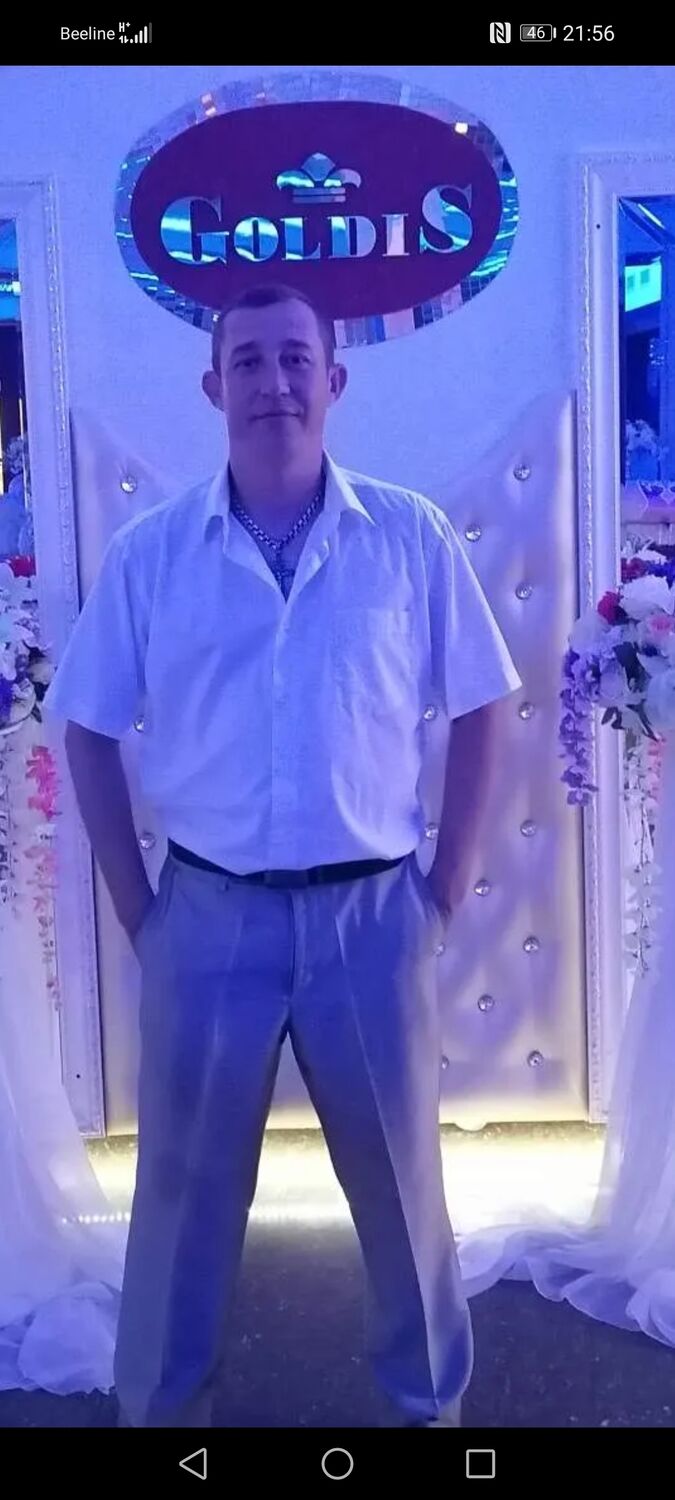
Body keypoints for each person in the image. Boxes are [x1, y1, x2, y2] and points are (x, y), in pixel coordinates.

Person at [43, 283, 521, 1429]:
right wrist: (141, 913)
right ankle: (165, 1421)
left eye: (296, 359)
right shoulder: (155, 553)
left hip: (374, 922)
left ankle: (429, 1415)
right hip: (207, 920)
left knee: (405, 1204)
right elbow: (88, 728)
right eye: (249, 361)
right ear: (214, 386)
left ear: (334, 380)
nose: (274, 383)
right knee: (180, 1210)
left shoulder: (407, 537)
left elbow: (484, 705)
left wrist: (444, 892)